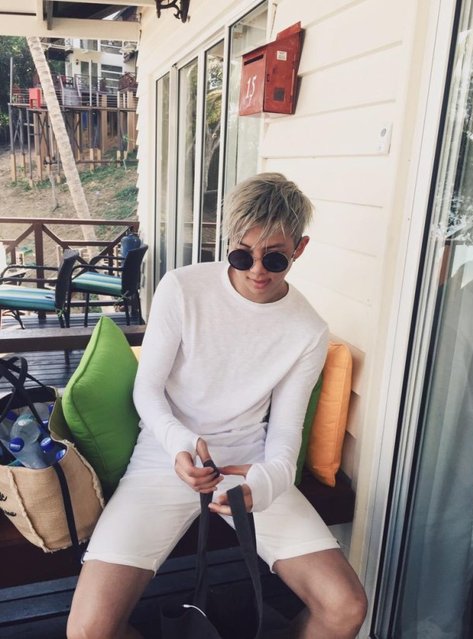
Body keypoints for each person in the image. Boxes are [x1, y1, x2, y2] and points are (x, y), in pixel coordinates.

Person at [67, 173, 367, 639]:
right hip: (165, 458)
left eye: (275, 258)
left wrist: (266, 482)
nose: (257, 271)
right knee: (89, 631)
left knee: (345, 607)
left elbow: (285, 431)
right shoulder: (182, 288)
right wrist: (180, 444)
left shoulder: (307, 329)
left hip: (248, 465)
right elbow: (147, 390)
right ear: (227, 243)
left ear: (300, 249)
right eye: (242, 255)